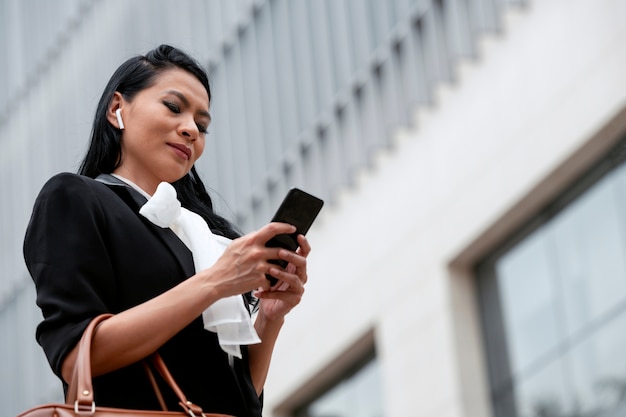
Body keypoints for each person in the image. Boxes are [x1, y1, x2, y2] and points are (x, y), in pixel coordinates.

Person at [23, 44, 310, 417]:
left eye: (202, 126)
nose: (191, 129)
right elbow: (77, 355)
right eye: (174, 108)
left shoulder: (199, 236)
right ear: (117, 109)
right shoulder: (75, 198)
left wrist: (269, 317)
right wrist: (215, 282)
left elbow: (239, 397)